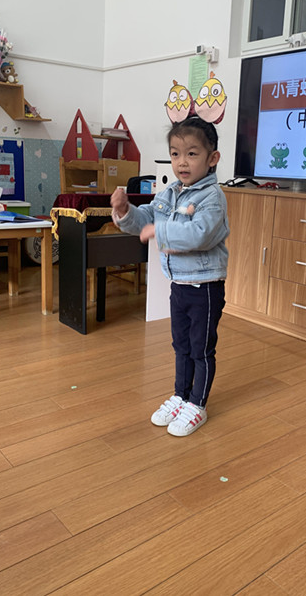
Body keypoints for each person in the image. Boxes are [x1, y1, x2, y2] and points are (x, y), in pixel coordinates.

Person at [111, 117, 229, 436]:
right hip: (179, 284)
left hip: (205, 287)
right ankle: (181, 395)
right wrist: (125, 212)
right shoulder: (170, 193)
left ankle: (197, 404)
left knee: (201, 348)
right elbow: (146, 218)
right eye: (175, 154)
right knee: (181, 345)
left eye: (192, 153)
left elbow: (199, 234)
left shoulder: (212, 197)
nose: (182, 162)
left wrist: (158, 231)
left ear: (212, 158)